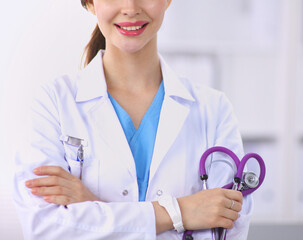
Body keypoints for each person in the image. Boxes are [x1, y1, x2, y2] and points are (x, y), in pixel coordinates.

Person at [13, 0, 253, 239]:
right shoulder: (54, 103)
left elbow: (227, 228)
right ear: (90, 3)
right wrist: (179, 213)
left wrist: (94, 208)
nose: (130, 8)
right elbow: (46, 229)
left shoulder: (214, 110)